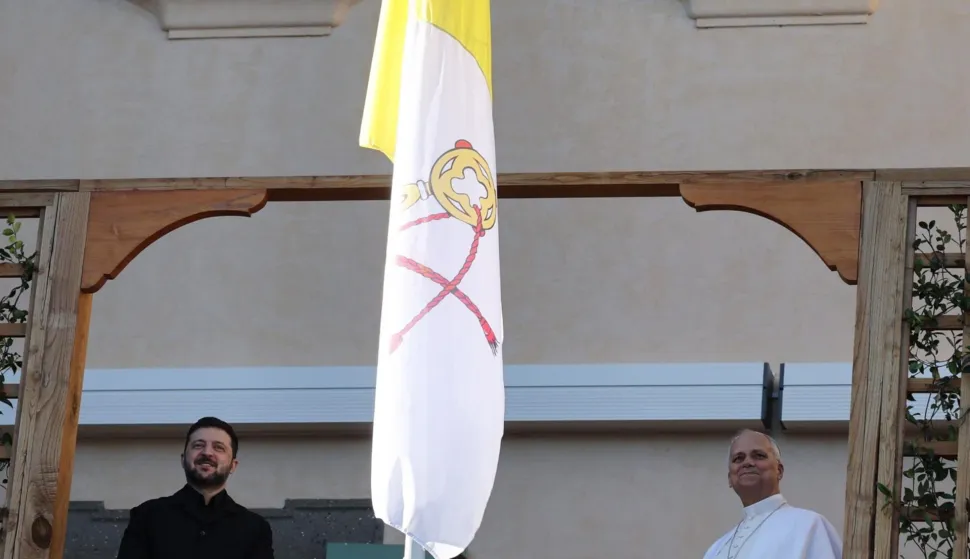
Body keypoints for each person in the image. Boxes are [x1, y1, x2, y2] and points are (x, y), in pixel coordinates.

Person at [117, 416, 274, 559]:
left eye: (218, 447)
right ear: (183, 459)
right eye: (198, 445)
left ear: (233, 465)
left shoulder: (256, 529)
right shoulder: (146, 517)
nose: (207, 452)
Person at [702, 429, 842, 559]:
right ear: (730, 479)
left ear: (779, 471)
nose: (748, 462)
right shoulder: (716, 549)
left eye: (759, 456)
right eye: (738, 458)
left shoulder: (810, 526)